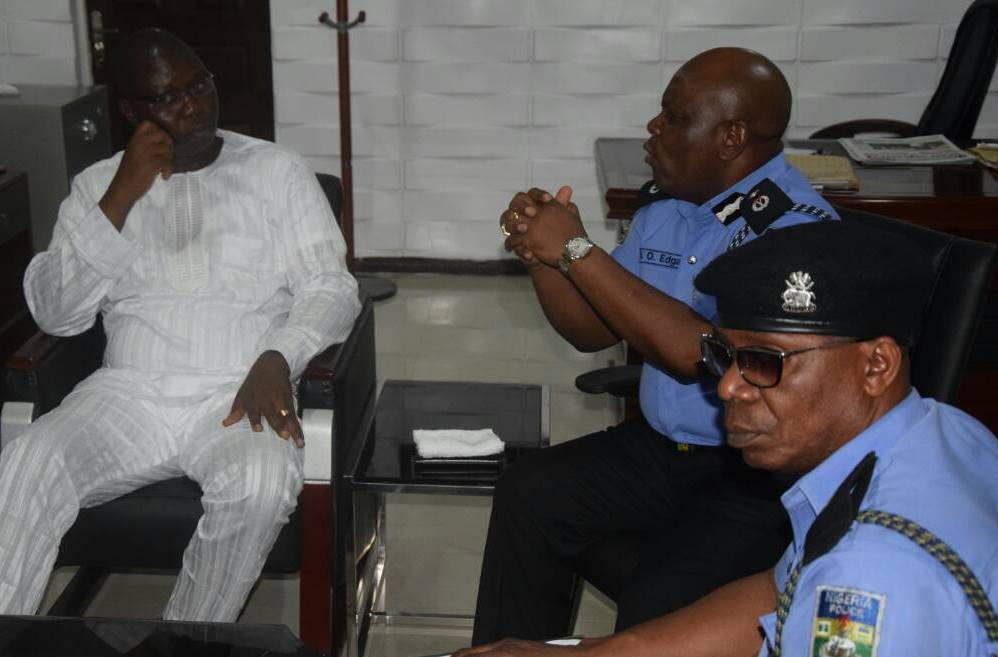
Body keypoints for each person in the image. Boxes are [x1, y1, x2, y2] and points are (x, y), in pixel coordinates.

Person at [457, 220, 998, 657]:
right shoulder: (943, 431)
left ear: (876, 365)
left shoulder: (864, 585)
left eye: (765, 361)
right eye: (726, 356)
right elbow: (779, 590)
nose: (730, 385)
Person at [473, 47, 838, 643]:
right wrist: (543, 255)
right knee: (529, 492)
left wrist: (577, 252)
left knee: (659, 597)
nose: (653, 128)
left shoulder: (794, 231)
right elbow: (593, 331)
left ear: (730, 137)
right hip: (661, 450)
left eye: (672, 117)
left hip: (753, 471)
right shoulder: (668, 209)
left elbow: (699, 353)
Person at [0, 28, 360, 621]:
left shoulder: (277, 172)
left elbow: (332, 286)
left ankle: (187, 637)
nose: (193, 105)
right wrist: (120, 197)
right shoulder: (98, 186)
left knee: (262, 483)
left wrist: (279, 358)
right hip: (127, 394)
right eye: (170, 98)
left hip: (239, 387)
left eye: (200, 85)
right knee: (25, 462)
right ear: (131, 112)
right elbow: (57, 315)